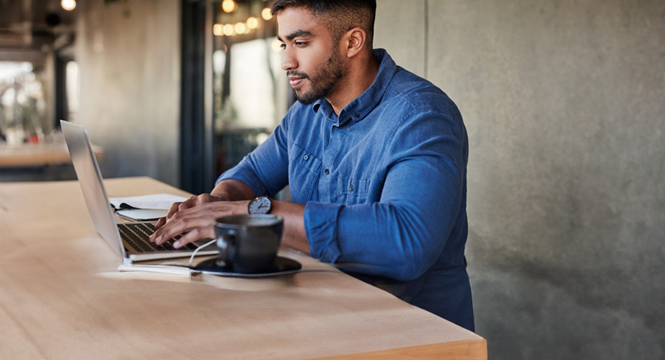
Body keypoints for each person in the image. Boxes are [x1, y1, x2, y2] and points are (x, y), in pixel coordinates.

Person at [147, 0, 473, 330]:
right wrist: (217, 203)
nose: (287, 61)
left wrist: (256, 213)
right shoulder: (306, 113)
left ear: (353, 42)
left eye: (301, 43)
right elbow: (253, 174)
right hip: (318, 317)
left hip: (408, 334)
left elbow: (406, 240)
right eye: (283, 44)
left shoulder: (422, 116)